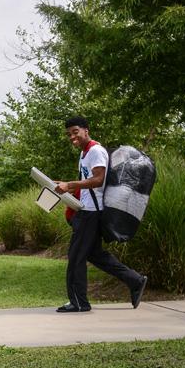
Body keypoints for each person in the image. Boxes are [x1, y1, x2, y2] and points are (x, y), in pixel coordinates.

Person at [54, 116, 148, 312]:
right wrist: (64, 186)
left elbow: (98, 180)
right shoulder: (84, 153)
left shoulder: (95, 151)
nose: (72, 137)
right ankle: (135, 281)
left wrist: (70, 185)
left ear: (86, 130)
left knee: (76, 257)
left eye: (75, 132)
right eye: (69, 134)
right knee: (96, 255)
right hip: (86, 210)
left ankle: (79, 303)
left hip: (91, 214)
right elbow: (87, 184)